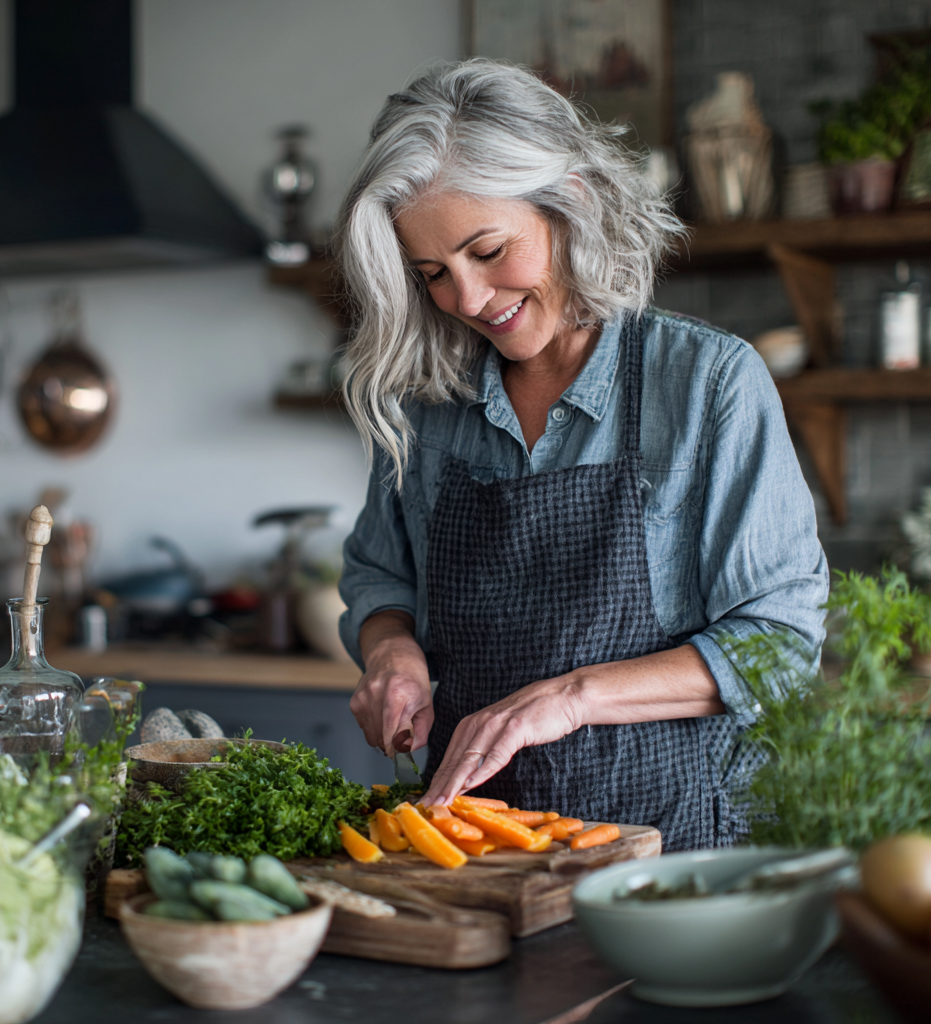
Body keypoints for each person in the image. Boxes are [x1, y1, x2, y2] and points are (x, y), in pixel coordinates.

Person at [333, 59, 828, 851]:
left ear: (573, 203)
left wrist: (568, 698)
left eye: (488, 250)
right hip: (475, 849)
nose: (465, 297)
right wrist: (391, 650)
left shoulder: (707, 382)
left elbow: (778, 643)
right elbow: (379, 573)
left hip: (672, 850)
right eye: (432, 273)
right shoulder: (429, 401)